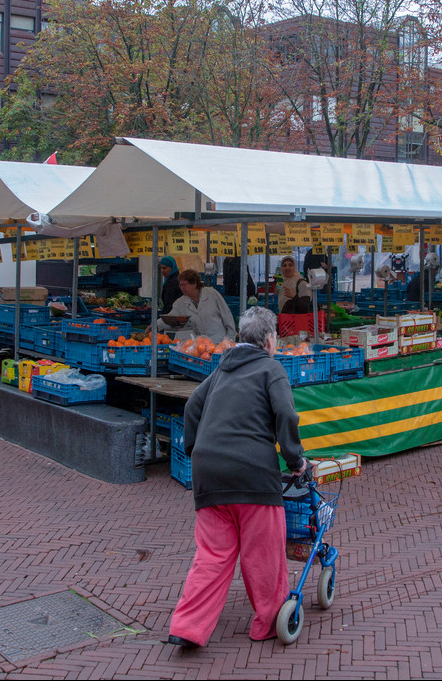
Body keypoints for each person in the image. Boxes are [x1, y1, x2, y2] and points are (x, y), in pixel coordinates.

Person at [167, 306, 308, 649]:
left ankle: (187, 627)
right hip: (253, 476)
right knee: (263, 554)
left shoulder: (221, 370)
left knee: (212, 556)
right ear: (270, 339)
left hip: (208, 474)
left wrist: (195, 450)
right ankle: (268, 623)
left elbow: (191, 408)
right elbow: (286, 414)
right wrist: (295, 460)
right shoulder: (271, 369)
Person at [158, 270, 236, 342]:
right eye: (180, 285)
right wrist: (156, 325)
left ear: (195, 283)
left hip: (219, 341)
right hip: (199, 345)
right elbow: (170, 319)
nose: (182, 288)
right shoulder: (180, 303)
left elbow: (227, 317)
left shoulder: (212, 295)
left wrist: (230, 339)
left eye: (184, 285)